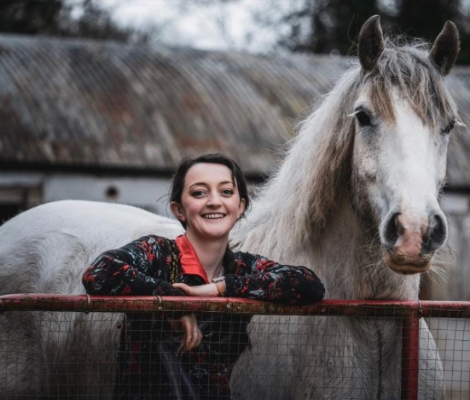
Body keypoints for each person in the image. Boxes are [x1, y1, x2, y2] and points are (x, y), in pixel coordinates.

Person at [82, 153, 325, 400]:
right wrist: (174, 304)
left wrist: (219, 289)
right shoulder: (157, 252)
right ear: (179, 210)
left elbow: (309, 285)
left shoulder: (243, 267)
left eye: (226, 192)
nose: (214, 202)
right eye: (199, 193)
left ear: (240, 206)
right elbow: (99, 273)